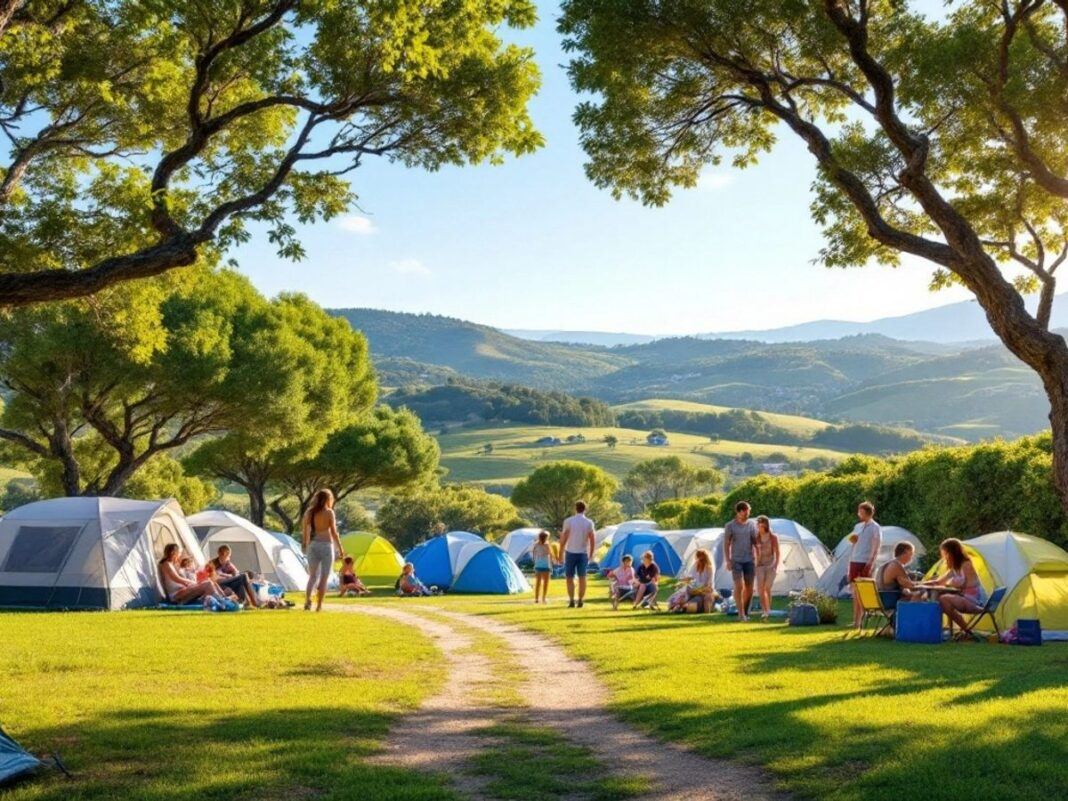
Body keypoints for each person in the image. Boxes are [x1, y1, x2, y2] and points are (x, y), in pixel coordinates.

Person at [928, 538, 985, 635]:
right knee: (940, 599)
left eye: (945, 552)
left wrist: (951, 583)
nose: (944, 556)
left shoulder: (967, 564)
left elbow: (968, 584)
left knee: (944, 599)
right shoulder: (955, 567)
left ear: (952, 552)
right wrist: (920, 584)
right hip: (964, 597)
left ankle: (967, 630)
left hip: (974, 600)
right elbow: (939, 582)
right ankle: (964, 630)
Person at [302, 488, 346, 612]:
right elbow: (333, 532)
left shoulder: (309, 512)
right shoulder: (329, 512)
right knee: (324, 577)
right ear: (328, 499)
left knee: (312, 576)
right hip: (326, 545)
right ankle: (319, 605)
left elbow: (306, 531)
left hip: (313, 545)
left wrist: (306, 545)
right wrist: (340, 549)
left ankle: (307, 600)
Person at [848, 501, 883, 629]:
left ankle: (861, 620)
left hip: (865, 561)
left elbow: (876, 545)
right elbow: (853, 543)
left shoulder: (875, 527)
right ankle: (855, 620)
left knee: (861, 591)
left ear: (868, 513)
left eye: (861, 512)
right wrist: (849, 563)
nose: (859, 513)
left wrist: (871, 562)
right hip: (854, 560)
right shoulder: (858, 526)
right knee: (854, 592)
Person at [158, 543, 224, 605]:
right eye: (178, 554)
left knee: (210, 583)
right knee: (208, 584)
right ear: (174, 553)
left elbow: (180, 578)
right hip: (176, 595)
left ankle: (221, 599)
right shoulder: (166, 564)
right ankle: (221, 601)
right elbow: (176, 578)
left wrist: (191, 583)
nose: (179, 556)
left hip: (182, 591)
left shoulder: (172, 564)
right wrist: (191, 582)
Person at [723, 501, 757, 621]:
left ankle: (746, 612)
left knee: (749, 587)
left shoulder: (752, 525)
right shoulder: (730, 526)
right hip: (736, 560)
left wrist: (759, 555)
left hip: (749, 560)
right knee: (739, 586)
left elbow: (755, 541)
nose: (748, 513)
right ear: (740, 512)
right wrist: (728, 560)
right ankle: (741, 614)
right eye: (747, 511)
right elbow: (726, 544)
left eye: (749, 511)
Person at [559, 500, 596, 608]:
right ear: (585, 509)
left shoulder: (568, 521)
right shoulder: (589, 522)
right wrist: (591, 553)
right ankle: (580, 600)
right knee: (582, 578)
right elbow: (592, 539)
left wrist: (560, 552)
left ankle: (571, 600)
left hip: (570, 552)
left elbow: (564, 538)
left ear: (575, 508)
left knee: (569, 578)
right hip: (583, 553)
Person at [875, 541, 919, 610]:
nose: (911, 557)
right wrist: (926, 582)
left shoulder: (887, 564)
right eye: (911, 554)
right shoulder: (897, 566)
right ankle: (907, 619)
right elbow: (910, 586)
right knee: (919, 596)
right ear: (906, 552)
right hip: (888, 600)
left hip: (879, 599)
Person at [670, 548, 716, 613]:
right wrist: (681, 582)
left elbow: (709, 584)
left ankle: (684, 608)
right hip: (693, 590)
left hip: (702, 592)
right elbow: (690, 577)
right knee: (679, 597)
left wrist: (700, 590)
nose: (699, 560)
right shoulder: (695, 565)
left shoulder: (709, 568)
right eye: (698, 558)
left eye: (701, 559)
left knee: (693, 603)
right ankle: (677, 606)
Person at [753, 516, 780, 621]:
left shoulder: (773, 537)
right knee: (760, 589)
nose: (759, 526)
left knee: (767, 587)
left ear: (765, 525)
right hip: (759, 565)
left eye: (761, 524)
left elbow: (777, 552)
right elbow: (753, 552)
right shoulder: (756, 538)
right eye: (758, 524)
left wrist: (776, 565)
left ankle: (769, 610)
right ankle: (765, 611)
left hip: (770, 565)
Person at [531, 530, 554, 604]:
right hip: (546, 565)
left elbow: (533, 554)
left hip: (538, 565)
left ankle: (536, 599)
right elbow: (550, 554)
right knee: (546, 583)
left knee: (538, 583)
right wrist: (552, 563)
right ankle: (544, 598)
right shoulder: (547, 545)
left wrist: (535, 562)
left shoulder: (536, 545)